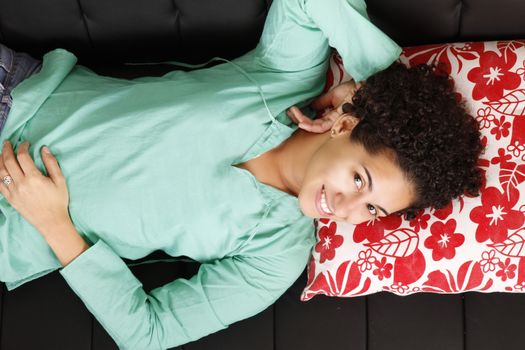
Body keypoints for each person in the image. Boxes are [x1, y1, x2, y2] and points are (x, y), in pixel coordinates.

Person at [0, 0, 483, 348]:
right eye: (360, 180)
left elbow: (150, 332)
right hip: (16, 99)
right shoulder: (286, 78)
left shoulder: (277, 255)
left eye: (372, 209)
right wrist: (377, 82)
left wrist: (55, 227)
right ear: (344, 126)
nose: (346, 209)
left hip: (10, 230)